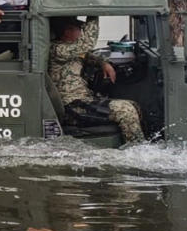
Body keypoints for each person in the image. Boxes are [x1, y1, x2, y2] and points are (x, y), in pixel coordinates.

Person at [48, 16, 143, 144]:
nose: (81, 32)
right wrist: (93, 15)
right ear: (67, 32)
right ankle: (137, 150)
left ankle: (138, 144)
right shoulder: (58, 49)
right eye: (79, 29)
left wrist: (104, 63)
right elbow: (86, 45)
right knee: (126, 110)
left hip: (83, 100)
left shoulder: (70, 49)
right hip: (71, 106)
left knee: (134, 106)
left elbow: (88, 55)